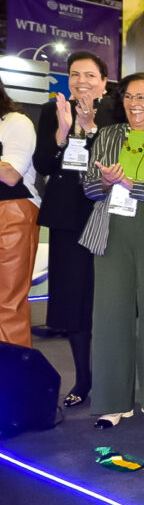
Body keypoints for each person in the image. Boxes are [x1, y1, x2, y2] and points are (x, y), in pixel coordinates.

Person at [80, 72, 144, 428]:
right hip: (111, 232)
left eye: (142, 97)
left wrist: (130, 184)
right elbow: (89, 188)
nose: (134, 104)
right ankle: (111, 402)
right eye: (128, 97)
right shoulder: (108, 135)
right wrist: (106, 183)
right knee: (109, 314)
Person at [31, 51, 117, 404]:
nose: (82, 81)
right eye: (75, 74)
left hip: (107, 215)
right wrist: (63, 132)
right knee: (73, 303)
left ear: (104, 81)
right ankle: (83, 380)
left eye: (90, 75)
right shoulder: (52, 111)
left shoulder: (116, 111)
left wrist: (91, 127)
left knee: (108, 300)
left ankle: (114, 381)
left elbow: (116, 160)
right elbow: (43, 163)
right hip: (67, 218)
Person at [0, 79, 40, 348]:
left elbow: (11, 175)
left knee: (8, 303)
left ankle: (10, 371)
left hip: (12, 213)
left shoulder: (16, 122)